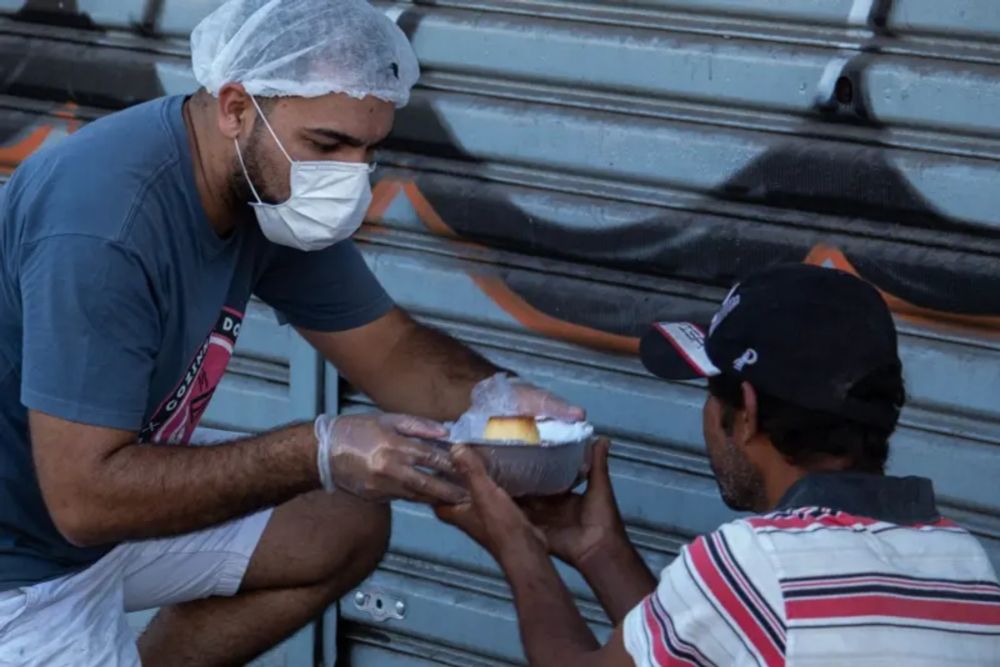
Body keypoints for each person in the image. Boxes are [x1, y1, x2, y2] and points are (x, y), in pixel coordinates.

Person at [0, 1, 581, 664]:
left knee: (336, 523)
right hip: (25, 564)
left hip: (87, 518)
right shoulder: (106, 226)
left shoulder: (266, 183)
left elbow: (389, 348)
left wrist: (501, 400)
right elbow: (84, 500)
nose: (349, 175)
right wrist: (318, 448)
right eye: (329, 145)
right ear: (236, 108)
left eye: (370, 149)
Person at [438, 263, 1000, 666]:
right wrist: (598, 550)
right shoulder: (965, 564)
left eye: (712, 393)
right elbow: (714, 642)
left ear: (747, 411)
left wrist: (516, 544)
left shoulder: (760, 560)